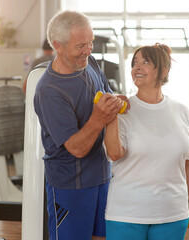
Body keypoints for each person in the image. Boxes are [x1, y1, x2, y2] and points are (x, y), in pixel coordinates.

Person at [33, 10, 128, 240]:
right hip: (70, 187)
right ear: (58, 46)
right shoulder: (49, 91)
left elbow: (107, 96)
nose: (88, 50)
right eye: (80, 46)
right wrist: (99, 117)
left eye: (90, 43)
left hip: (102, 177)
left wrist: (116, 102)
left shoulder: (90, 63)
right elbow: (77, 148)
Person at [104, 43, 189, 240]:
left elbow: (187, 162)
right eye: (134, 63)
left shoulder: (182, 111)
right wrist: (112, 116)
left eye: (145, 62)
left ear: (163, 70)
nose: (137, 67)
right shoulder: (123, 110)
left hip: (173, 211)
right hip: (127, 213)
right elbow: (114, 153)